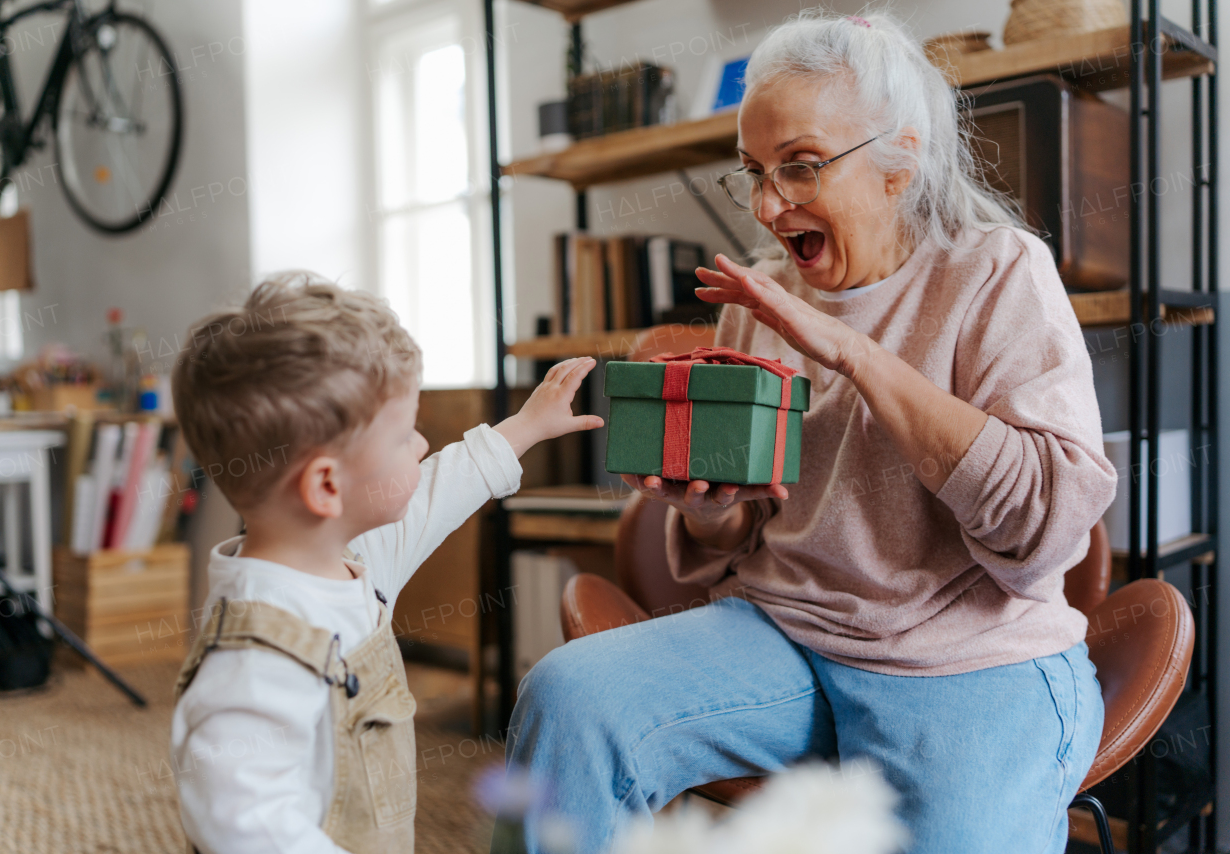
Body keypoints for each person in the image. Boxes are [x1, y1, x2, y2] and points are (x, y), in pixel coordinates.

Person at [497, 10, 1117, 854]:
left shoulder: (999, 271)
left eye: (800, 167)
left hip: (969, 659)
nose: (767, 204)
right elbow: (746, 525)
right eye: (753, 171)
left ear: (900, 161)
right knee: (567, 699)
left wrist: (855, 353)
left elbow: (1043, 526)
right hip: (783, 635)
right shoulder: (759, 297)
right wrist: (710, 508)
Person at [169, 273, 602, 854]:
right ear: (327, 485)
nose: (422, 445)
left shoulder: (352, 559)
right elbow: (242, 823)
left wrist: (527, 426)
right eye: (403, 437)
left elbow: (439, 491)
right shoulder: (253, 665)